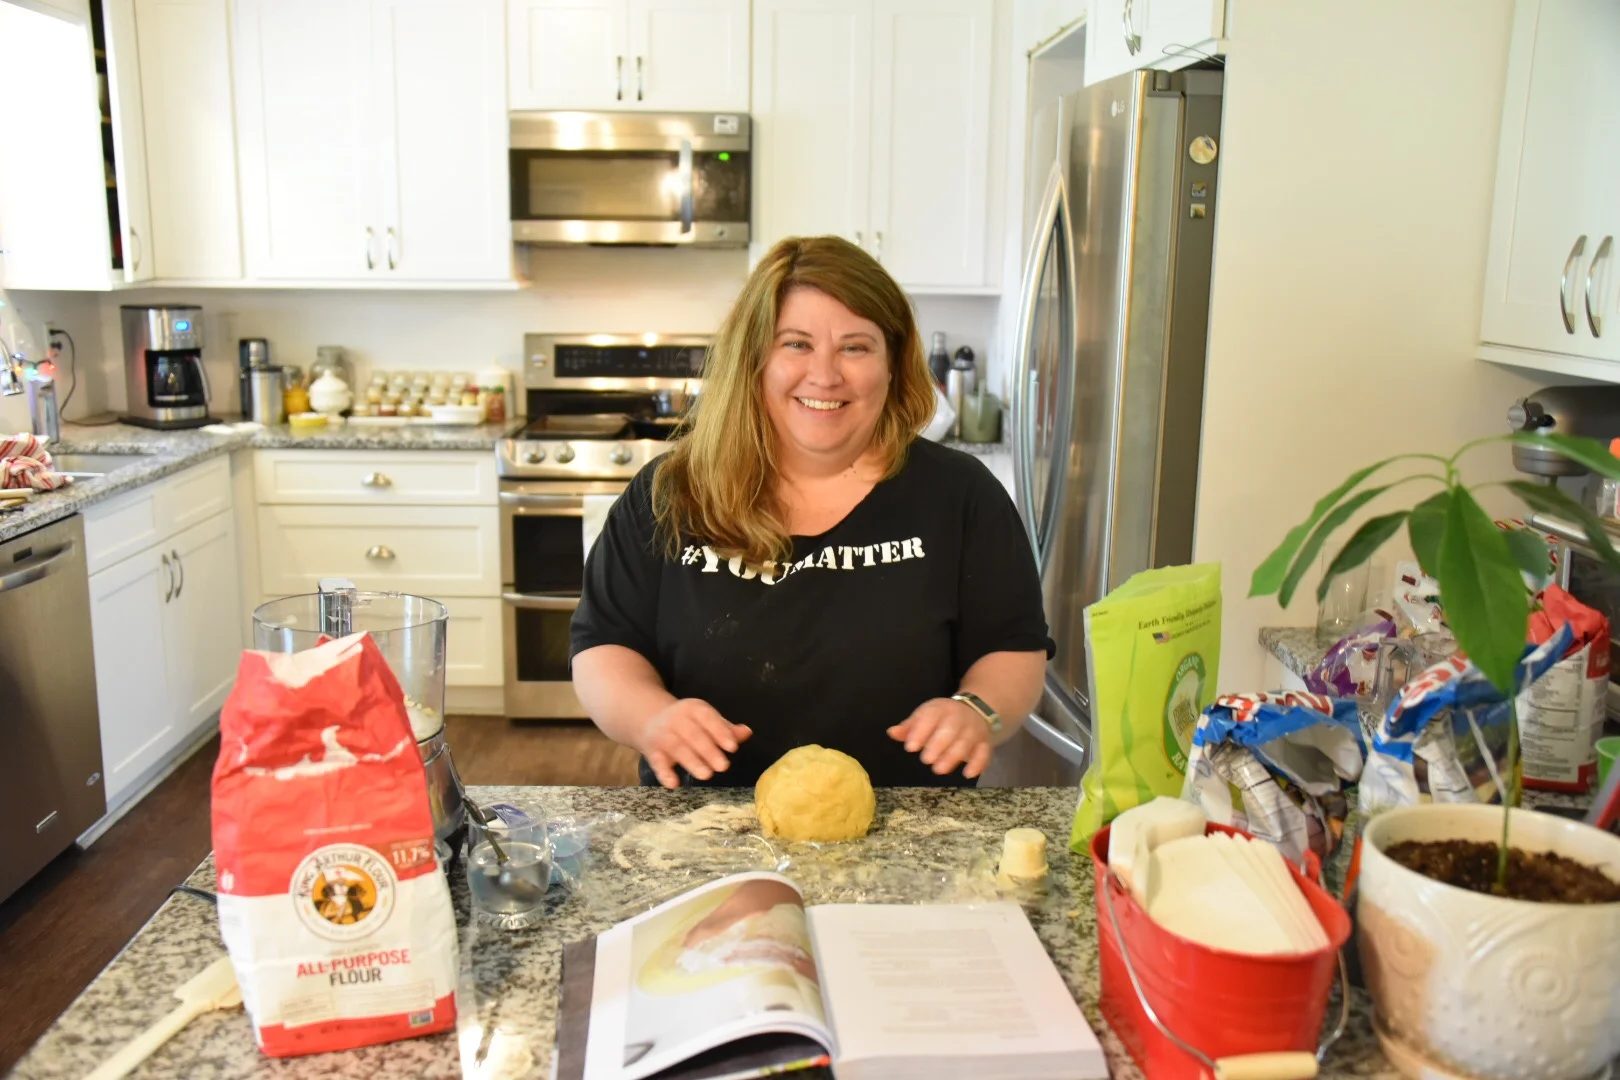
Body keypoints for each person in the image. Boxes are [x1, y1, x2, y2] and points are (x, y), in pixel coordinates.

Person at [570, 235, 1052, 789]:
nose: (825, 375)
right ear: (753, 360)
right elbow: (604, 647)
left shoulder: (961, 495)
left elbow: (1014, 647)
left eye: (855, 347)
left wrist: (977, 710)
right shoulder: (671, 494)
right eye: (796, 344)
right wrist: (650, 717)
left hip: (914, 823)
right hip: (702, 823)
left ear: (893, 365)